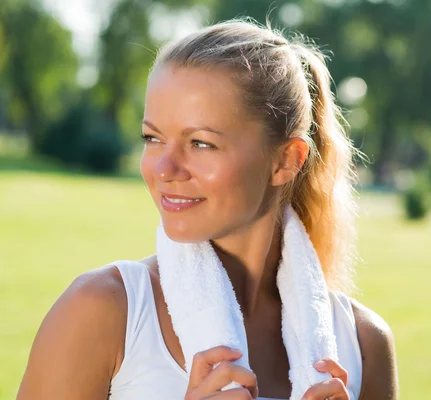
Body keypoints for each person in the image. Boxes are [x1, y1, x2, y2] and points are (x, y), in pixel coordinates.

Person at [17, 20, 399, 400]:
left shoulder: (361, 343)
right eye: (152, 138)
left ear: (286, 160)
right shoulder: (103, 311)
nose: (164, 169)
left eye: (200, 143)